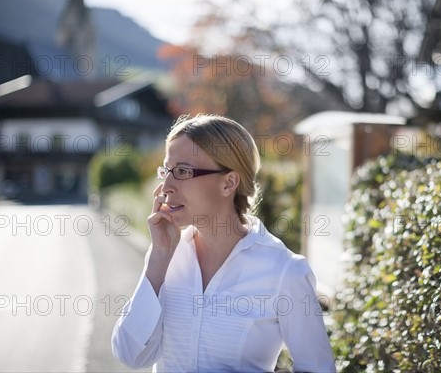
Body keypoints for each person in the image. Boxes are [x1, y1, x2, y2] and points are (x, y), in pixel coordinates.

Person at [112, 114, 336, 372]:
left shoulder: (285, 270)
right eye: (167, 171)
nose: (167, 186)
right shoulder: (166, 256)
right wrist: (158, 260)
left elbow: (318, 368)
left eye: (183, 171)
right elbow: (129, 355)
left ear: (229, 182)